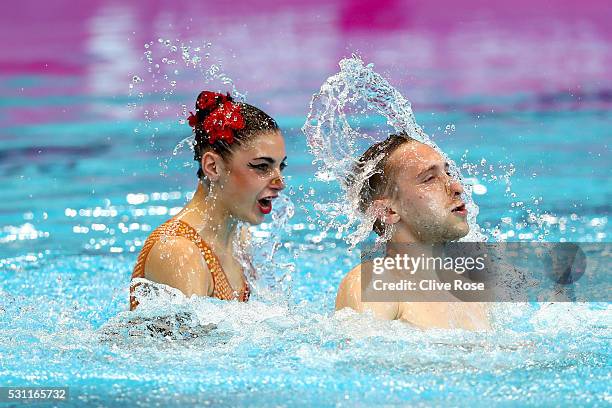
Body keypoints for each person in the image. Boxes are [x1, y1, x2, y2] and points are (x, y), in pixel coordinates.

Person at [130, 91, 287, 310]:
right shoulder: (180, 253)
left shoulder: (239, 238)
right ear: (213, 167)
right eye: (262, 167)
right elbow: (192, 345)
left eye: (281, 166)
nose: (280, 182)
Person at [335, 133, 491, 330]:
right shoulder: (372, 282)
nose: (457, 187)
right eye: (429, 179)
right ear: (388, 211)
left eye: (448, 174)